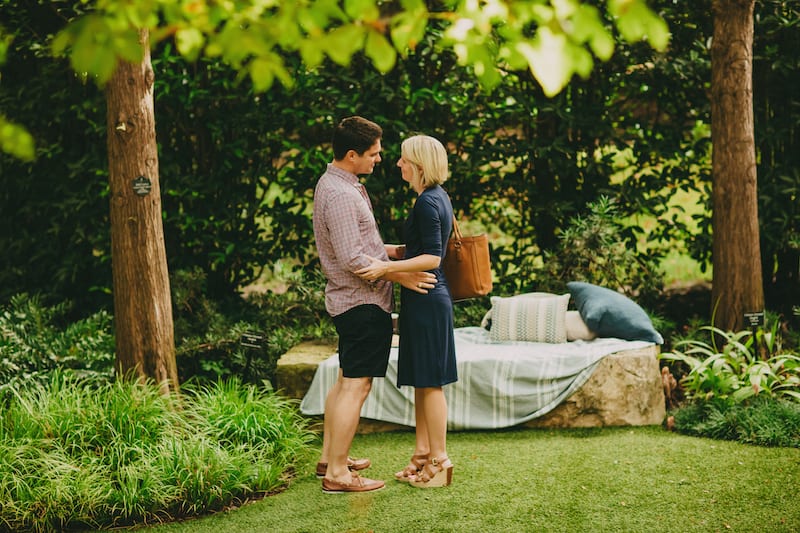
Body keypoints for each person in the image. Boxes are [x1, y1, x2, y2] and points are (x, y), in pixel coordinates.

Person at [313, 117, 437, 494]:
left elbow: (358, 247)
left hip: (354, 301)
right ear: (352, 155)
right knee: (357, 385)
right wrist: (401, 275)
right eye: (374, 154)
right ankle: (337, 473)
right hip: (361, 303)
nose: (380, 159)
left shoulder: (340, 184)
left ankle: (329, 457)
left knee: (344, 381)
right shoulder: (341, 194)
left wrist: (397, 254)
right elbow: (353, 258)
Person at [356, 134, 457, 488]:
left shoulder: (429, 202)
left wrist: (385, 270)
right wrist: (380, 251)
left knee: (430, 384)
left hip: (428, 300)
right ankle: (421, 455)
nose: (397, 164)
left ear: (417, 164)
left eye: (402, 159)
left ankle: (440, 461)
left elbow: (433, 257)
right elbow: (414, 248)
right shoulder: (432, 199)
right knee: (420, 379)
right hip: (422, 302)